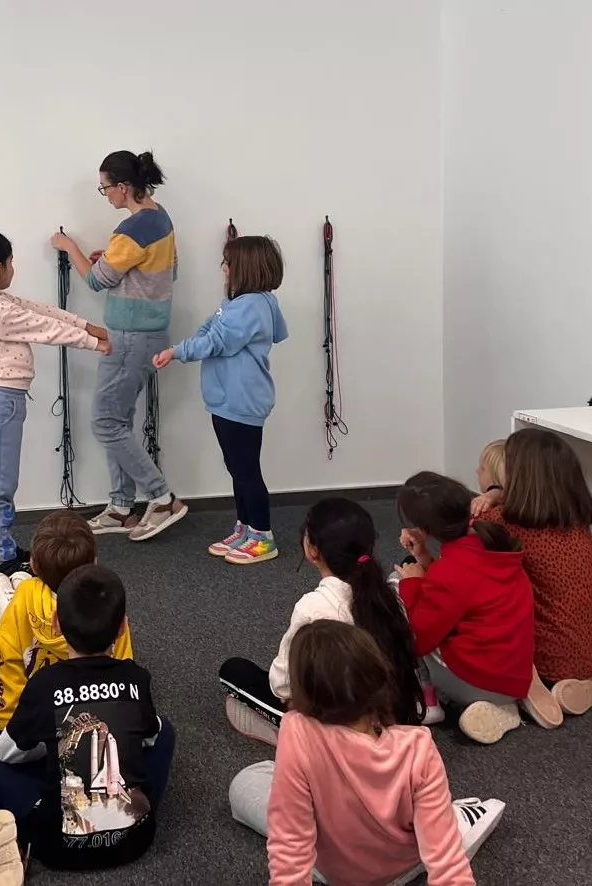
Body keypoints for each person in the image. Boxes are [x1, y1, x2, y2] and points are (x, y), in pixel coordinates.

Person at [228, 621, 496, 886]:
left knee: (248, 781)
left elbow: (290, 841)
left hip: (335, 872)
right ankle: (454, 821)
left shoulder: (296, 730)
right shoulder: (418, 746)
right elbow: (449, 869)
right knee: (436, 828)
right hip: (407, 861)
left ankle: (451, 821)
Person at [0, 565, 175, 872]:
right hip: (136, 840)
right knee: (166, 732)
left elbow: (7, 752)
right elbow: (150, 737)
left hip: (56, 847)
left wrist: (49, 744)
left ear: (56, 623)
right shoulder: (137, 678)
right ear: (123, 627)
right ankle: (140, 810)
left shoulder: (43, 684)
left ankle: (36, 815)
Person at [0, 230, 110, 578]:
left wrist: (89, 326)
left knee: (0, 480)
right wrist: (94, 343)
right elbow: (45, 329)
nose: (14, 268)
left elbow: (40, 311)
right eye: (12, 262)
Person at [219, 498, 436, 746]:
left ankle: (296, 737)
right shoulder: (390, 595)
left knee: (233, 671)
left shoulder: (312, 607)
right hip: (388, 714)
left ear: (312, 550)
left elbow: (282, 685)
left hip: (340, 723)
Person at [51, 150, 188, 541]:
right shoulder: (160, 217)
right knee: (119, 420)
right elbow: (163, 270)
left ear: (124, 187)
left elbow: (95, 281)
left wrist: (69, 247)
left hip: (129, 337)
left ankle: (162, 499)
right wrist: (110, 261)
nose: (106, 195)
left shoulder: (131, 230)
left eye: (105, 188)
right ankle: (121, 506)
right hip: (148, 335)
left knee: (106, 422)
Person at [154, 235, 288, 564]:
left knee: (245, 470)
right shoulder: (237, 303)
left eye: (227, 263)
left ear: (245, 269)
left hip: (241, 402)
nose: (223, 269)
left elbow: (216, 340)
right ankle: (245, 528)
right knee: (236, 467)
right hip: (228, 401)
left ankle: (262, 535)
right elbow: (209, 328)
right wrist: (194, 341)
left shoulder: (251, 306)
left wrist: (176, 351)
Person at [395, 472, 541, 745]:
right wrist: (425, 559)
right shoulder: (492, 541)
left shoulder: (451, 571)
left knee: (394, 594)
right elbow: (465, 595)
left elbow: (420, 637)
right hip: (515, 672)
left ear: (423, 528)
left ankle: (432, 698)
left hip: (481, 680)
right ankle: (505, 704)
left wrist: (413, 583)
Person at [470, 428, 592, 718]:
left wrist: (492, 493)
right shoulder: (577, 521)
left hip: (541, 661)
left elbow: (461, 524)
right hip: (589, 655)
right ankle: (582, 686)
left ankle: (518, 699)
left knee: (483, 593)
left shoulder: (502, 521)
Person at [0, 511, 135, 731]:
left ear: (33, 564)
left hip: (35, 718)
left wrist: (7, 722)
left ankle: (3, 585)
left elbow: (4, 652)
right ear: (94, 562)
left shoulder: (27, 593)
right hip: (90, 721)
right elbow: (124, 667)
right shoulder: (106, 598)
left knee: (6, 589)